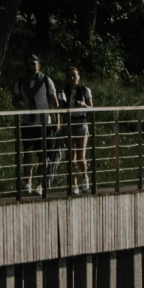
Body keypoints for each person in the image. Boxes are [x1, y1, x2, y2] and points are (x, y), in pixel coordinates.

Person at [22, 55, 61, 194]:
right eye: (27, 63)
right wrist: (19, 105)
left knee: (43, 154)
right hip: (27, 122)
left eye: (33, 63)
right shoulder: (21, 82)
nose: (30, 66)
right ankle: (28, 182)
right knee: (27, 152)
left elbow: (54, 101)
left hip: (44, 123)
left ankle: (40, 184)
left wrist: (58, 121)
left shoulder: (46, 80)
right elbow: (15, 99)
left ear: (39, 65)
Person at [65, 66, 94, 194]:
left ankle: (85, 178)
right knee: (71, 157)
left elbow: (91, 108)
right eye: (69, 76)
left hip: (82, 123)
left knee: (81, 156)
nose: (72, 78)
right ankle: (74, 184)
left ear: (78, 77)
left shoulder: (85, 90)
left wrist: (83, 105)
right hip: (71, 123)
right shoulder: (65, 91)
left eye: (74, 76)